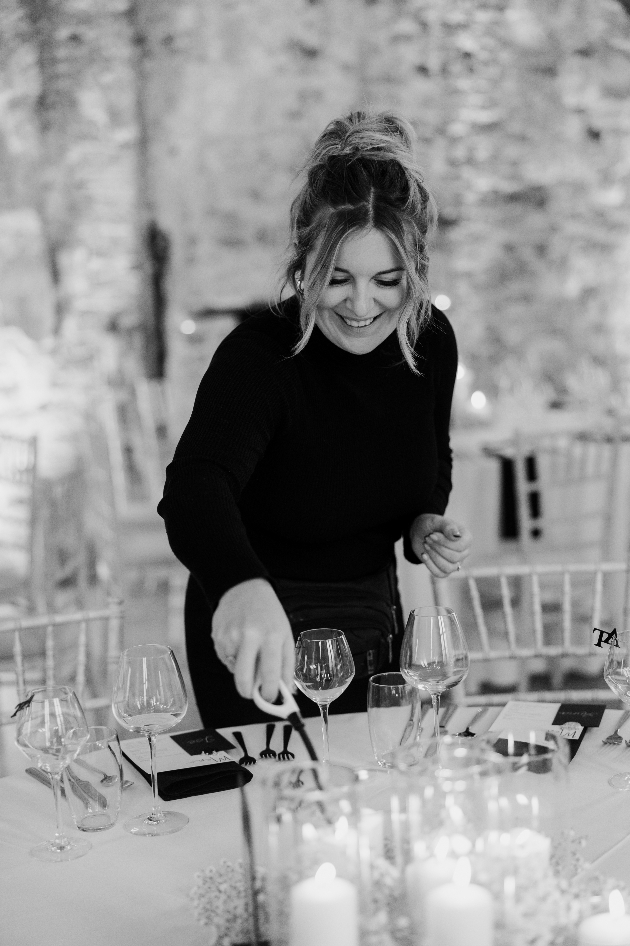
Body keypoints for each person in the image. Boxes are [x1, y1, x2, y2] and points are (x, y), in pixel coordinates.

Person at [158, 110, 472, 729]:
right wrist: (240, 585)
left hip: (369, 611)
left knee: (370, 787)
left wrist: (420, 523)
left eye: (387, 281)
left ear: (416, 272)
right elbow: (195, 489)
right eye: (336, 279)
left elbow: (435, 454)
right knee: (271, 800)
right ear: (304, 265)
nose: (362, 306)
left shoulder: (431, 342)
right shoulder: (261, 354)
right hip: (258, 612)